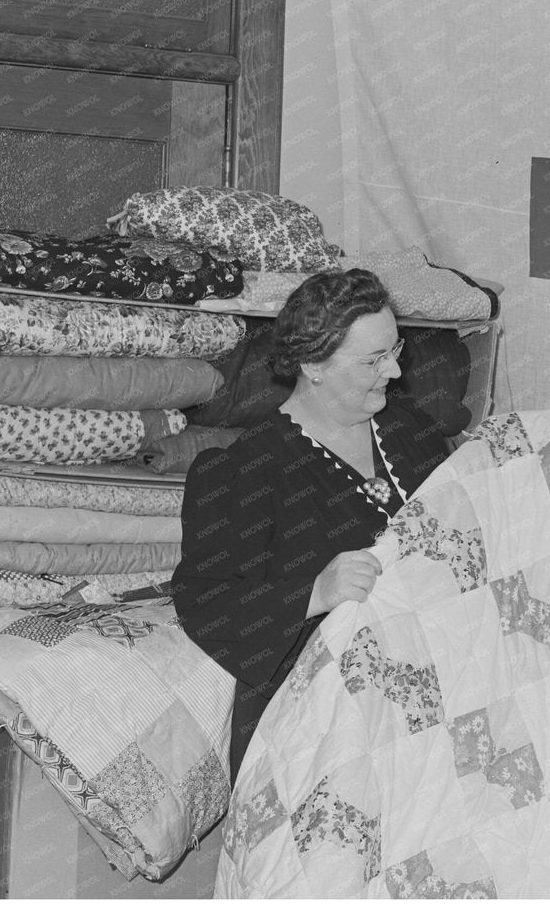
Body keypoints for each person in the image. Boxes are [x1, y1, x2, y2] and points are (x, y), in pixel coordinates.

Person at [172, 269, 453, 781]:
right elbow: (205, 605)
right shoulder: (244, 472)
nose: (393, 371)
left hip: (441, 697)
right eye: (373, 359)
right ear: (312, 364)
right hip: (319, 727)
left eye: (396, 350)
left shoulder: (415, 434)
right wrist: (313, 592)